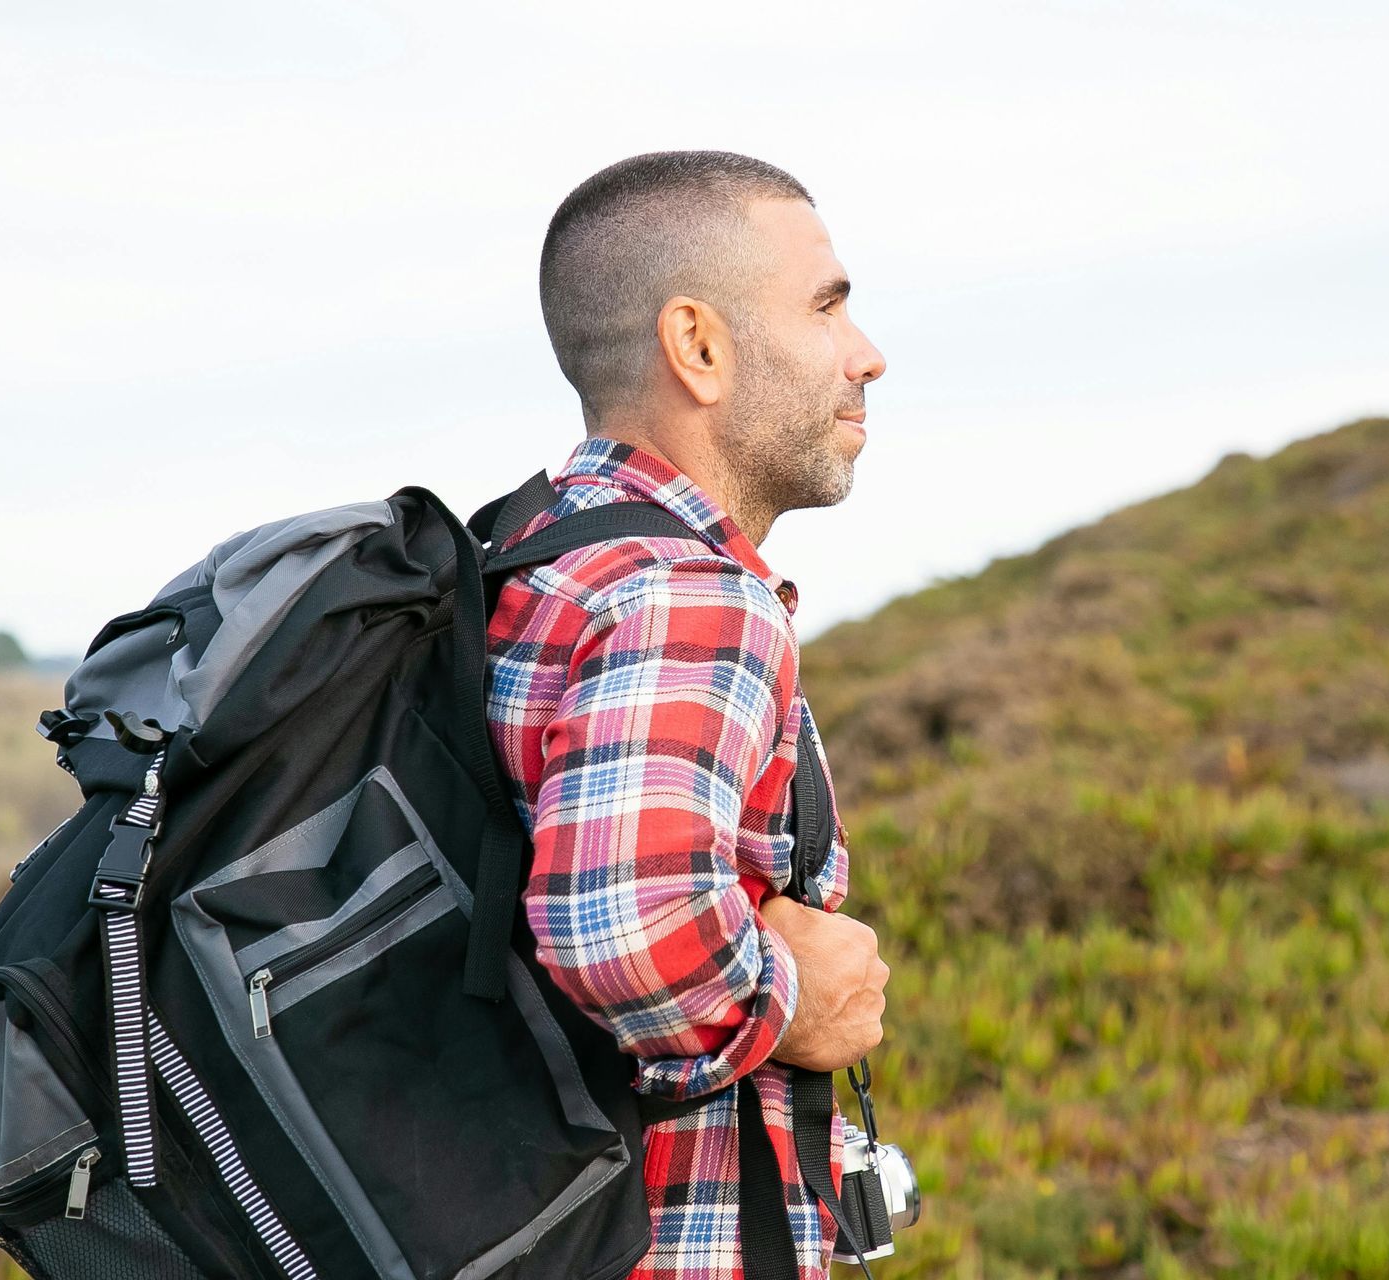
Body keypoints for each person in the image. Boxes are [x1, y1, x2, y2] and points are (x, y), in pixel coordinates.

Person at [481, 150, 892, 1280]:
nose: (868, 353)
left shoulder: (529, 554)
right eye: (827, 304)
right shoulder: (685, 591)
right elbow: (627, 926)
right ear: (698, 346)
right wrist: (803, 997)